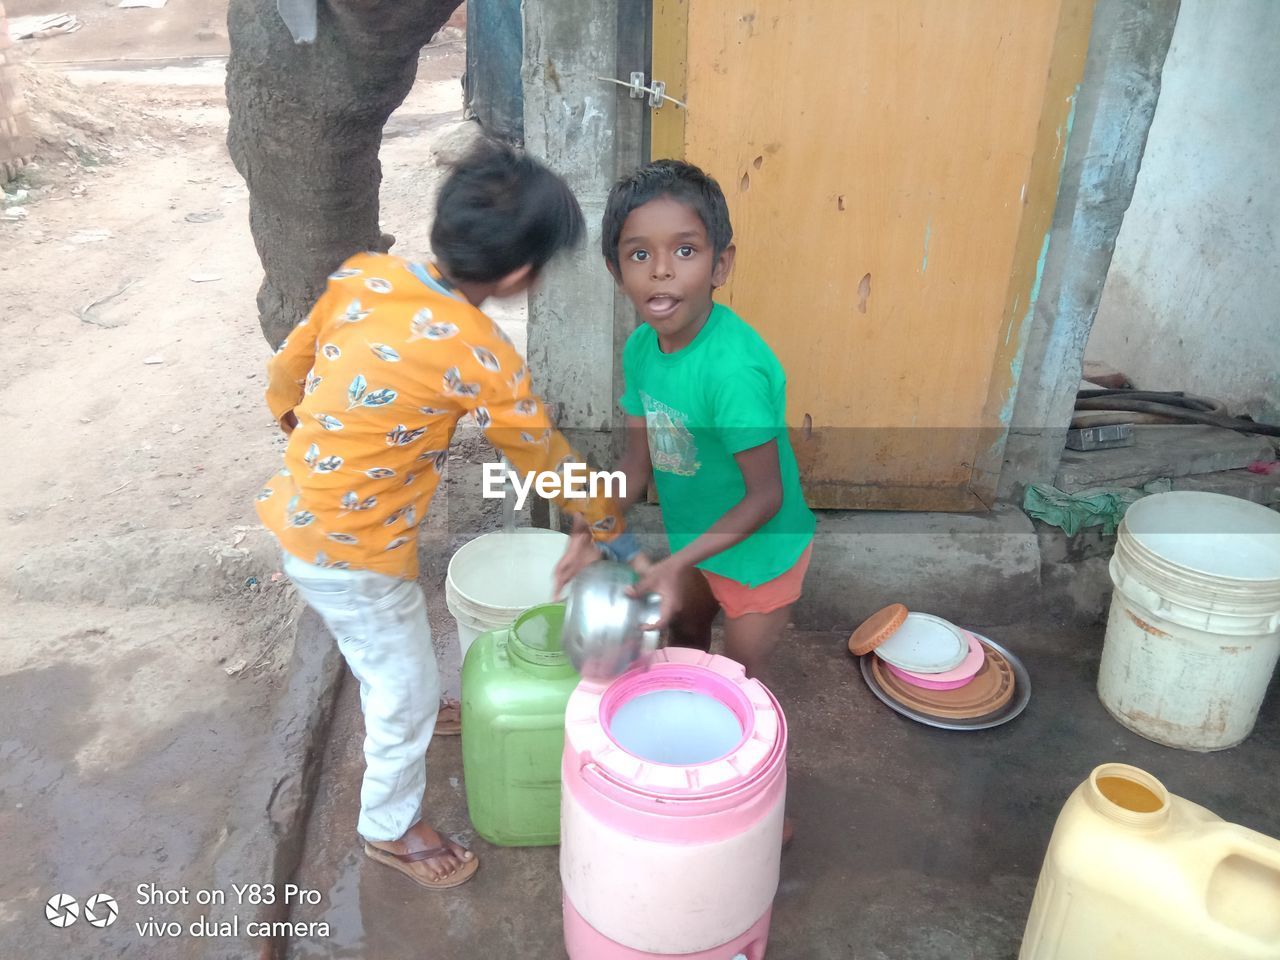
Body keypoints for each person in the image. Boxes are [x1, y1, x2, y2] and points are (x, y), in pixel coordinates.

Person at [257, 139, 626, 890]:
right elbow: (542, 455)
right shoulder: (481, 354)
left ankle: (413, 703)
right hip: (351, 557)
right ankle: (389, 826)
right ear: (522, 276)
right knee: (404, 689)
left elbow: (290, 363)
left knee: (387, 655)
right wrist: (606, 522)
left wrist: (296, 424)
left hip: (303, 511)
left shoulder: (364, 277)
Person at [555, 158, 815, 685]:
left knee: (739, 676)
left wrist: (674, 564)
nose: (661, 269)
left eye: (686, 250)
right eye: (640, 254)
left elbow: (765, 498)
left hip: (763, 554)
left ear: (720, 266)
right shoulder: (641, 350)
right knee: (684, 636)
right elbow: (636, 464)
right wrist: (594, 520)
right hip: (696, 540)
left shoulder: (732, 371)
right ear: (616, 271)